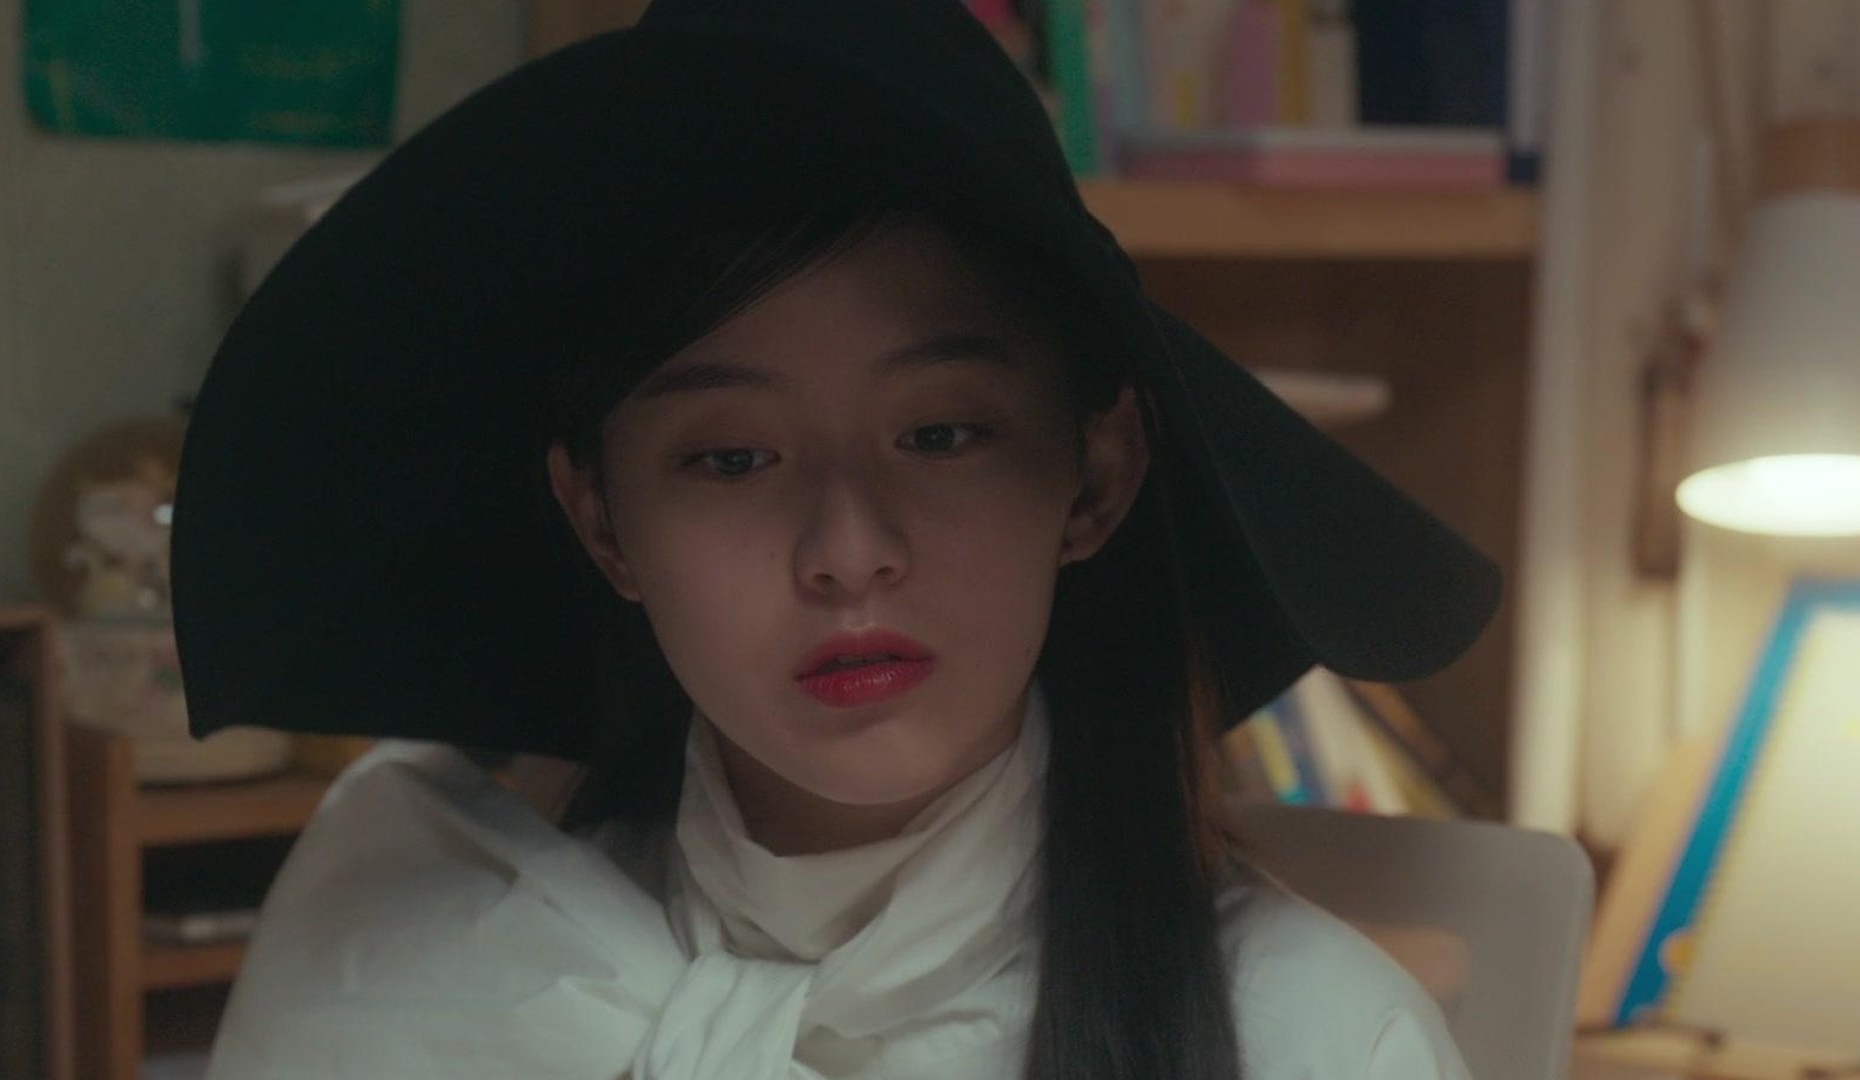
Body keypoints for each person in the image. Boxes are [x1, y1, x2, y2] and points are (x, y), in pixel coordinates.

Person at [170, 2, 1502, 1077]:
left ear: (1095, 477)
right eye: (731, 459)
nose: (848, 551)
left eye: (941, 434)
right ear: (602, 522)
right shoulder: (416, 985)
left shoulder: (1316, 1042)